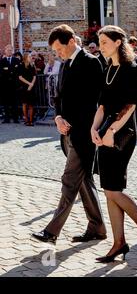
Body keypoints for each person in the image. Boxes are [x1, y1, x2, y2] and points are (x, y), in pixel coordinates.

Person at [32, 24, 106, 244]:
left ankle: (51, 232)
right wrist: (58, 117)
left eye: (59, 49)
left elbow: (93, 102)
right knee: (84, 182)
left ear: (72, 41)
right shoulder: (64, 65)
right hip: (67, 134)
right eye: (55, 51)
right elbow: (58, 98)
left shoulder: (91, 63)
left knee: (69, 181)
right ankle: (98, 228)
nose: (58, 54)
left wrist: (73, 123)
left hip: (84, 134)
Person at [90, 25, 137, 262]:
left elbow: (131, 105)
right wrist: (94, 129)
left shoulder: (131, 69)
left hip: (123, 133)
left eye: (105, 41)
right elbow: (102, 106)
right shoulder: (108, 68)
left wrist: (112, 131)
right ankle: (119, 242)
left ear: (118, 42)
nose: (101, 45)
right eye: (100, 41)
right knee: (109, 190)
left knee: (113, 189)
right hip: (106, 130)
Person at [0, 44, 20, 123]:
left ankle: (15, 118)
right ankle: (6, 118)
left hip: (14, 85)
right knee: (6, 103)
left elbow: (17, 71)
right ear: (5, 51)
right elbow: (1, 72)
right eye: (8, 50)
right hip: (5, 85)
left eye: (11, 50)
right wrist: (10, 70)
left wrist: (8, 70)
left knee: (14, 102)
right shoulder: (2, 61)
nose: (9, 51)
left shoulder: (16, 60)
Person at [18, 53, 37, 126]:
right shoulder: (21, 66)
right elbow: (20, 77)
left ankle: (31, 121)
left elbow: (34, 76)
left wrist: (31, 84)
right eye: (29, 56)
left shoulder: (32, 66)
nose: (31, 57)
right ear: (26, 58)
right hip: (24, 87)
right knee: (25, 104)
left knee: (31, 105)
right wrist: (29, 84)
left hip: (31, 87)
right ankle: (26, 119)